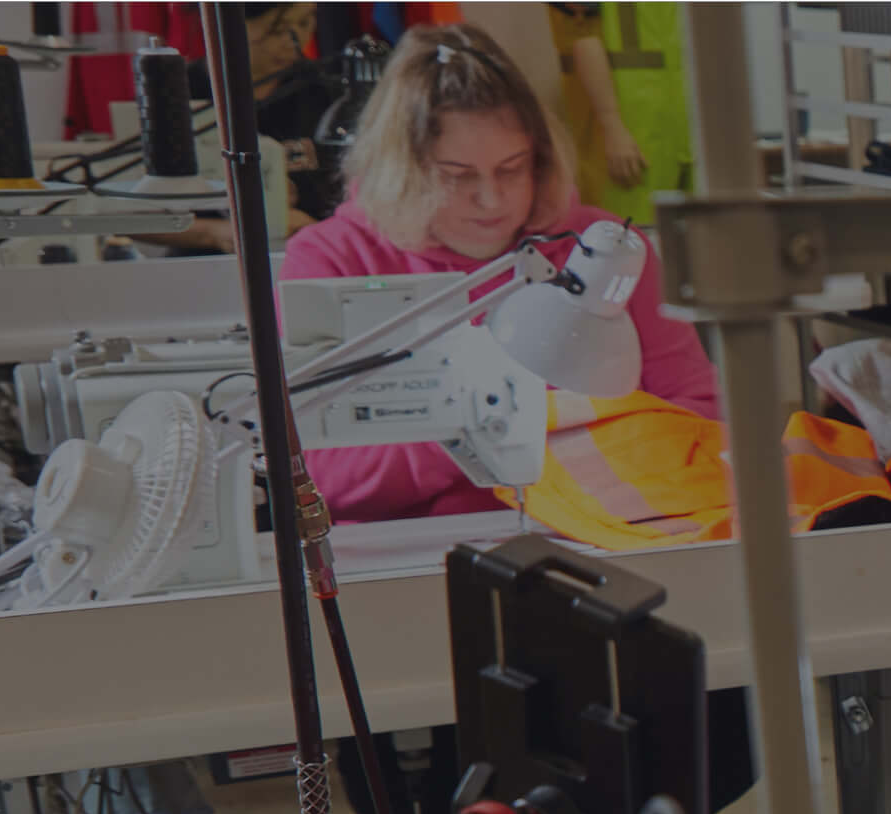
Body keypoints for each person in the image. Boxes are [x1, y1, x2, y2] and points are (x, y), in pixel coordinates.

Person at [279, 21, 714, 522]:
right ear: (403, 168)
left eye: (512, 168)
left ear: (542, 158)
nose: (491, 199)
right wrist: (493, 433)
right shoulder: (333, 261)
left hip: (607, 532)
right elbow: (323, 478)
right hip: (412, 558)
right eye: (457, 176)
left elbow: (702, 416)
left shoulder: (607, 249)